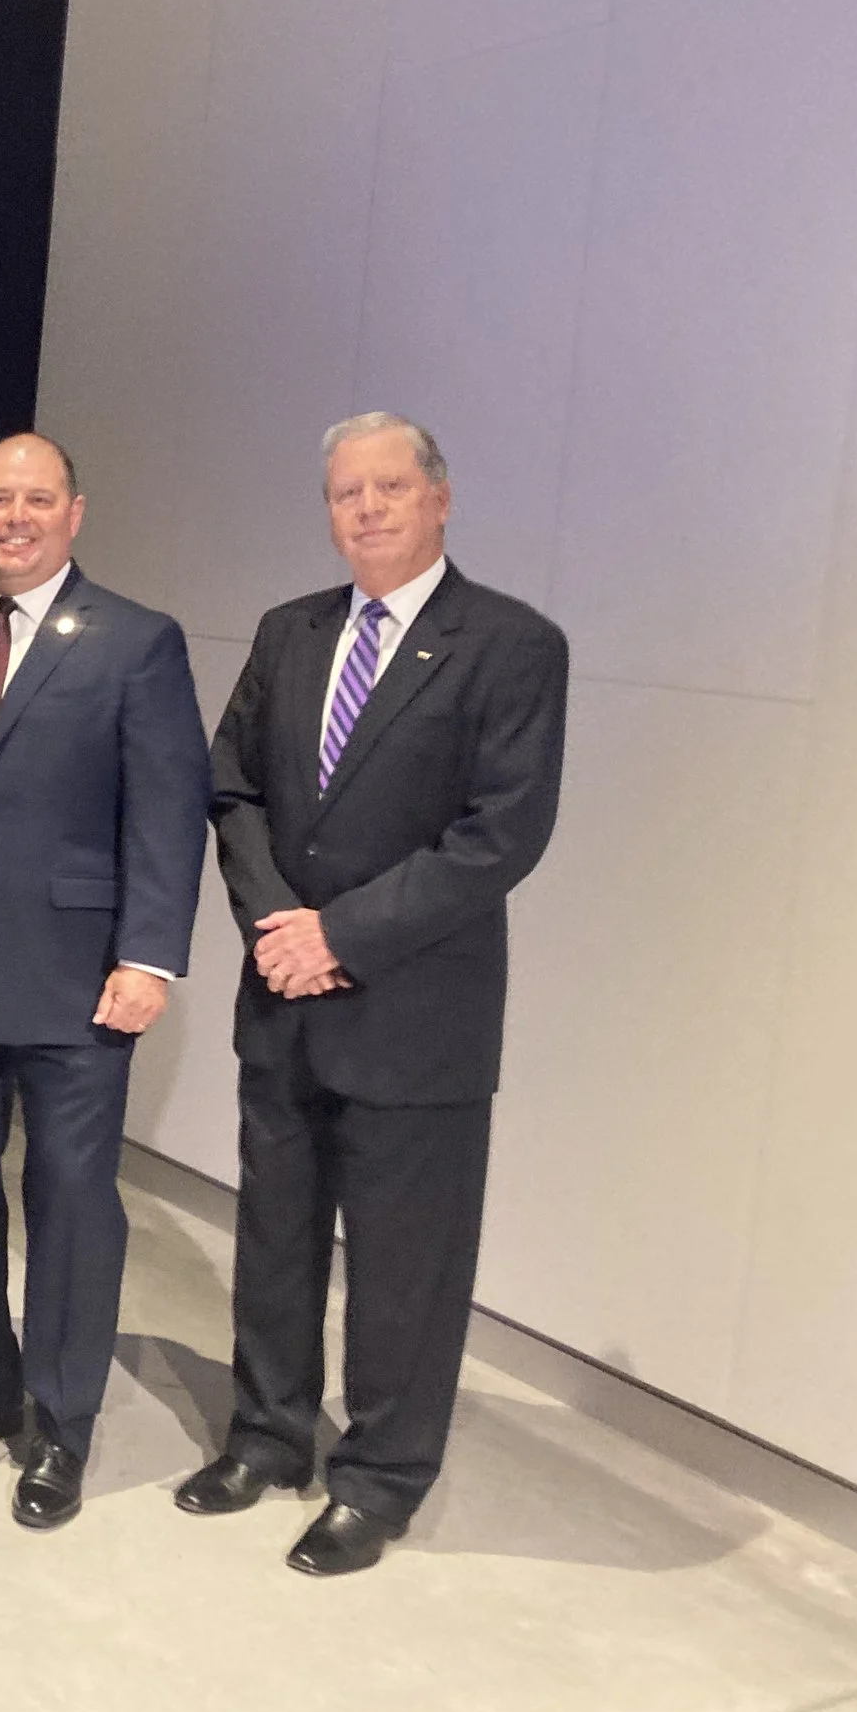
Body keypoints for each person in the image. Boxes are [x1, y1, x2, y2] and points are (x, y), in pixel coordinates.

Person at [176, 413, 568, 1574]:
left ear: (439, 498)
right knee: (274, 1236)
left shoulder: (508, 643)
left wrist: (339, 937)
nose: (367, 509)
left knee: (406, 1262)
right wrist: (274, 929)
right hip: (284, 998)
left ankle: (383, 1478)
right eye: (347, 492)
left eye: (391, 487)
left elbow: (500, 835)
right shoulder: (290, 631)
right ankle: (266, 1435)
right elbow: (230, 785)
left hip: (414, 1012)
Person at [0, 432, 210, 1530]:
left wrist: (148, 955)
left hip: (81, 983)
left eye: (37, 500)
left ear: (75, 513)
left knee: (72, 1203)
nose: (14, 518)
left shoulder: (134, 641)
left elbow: (168, 811)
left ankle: (62, 1423)